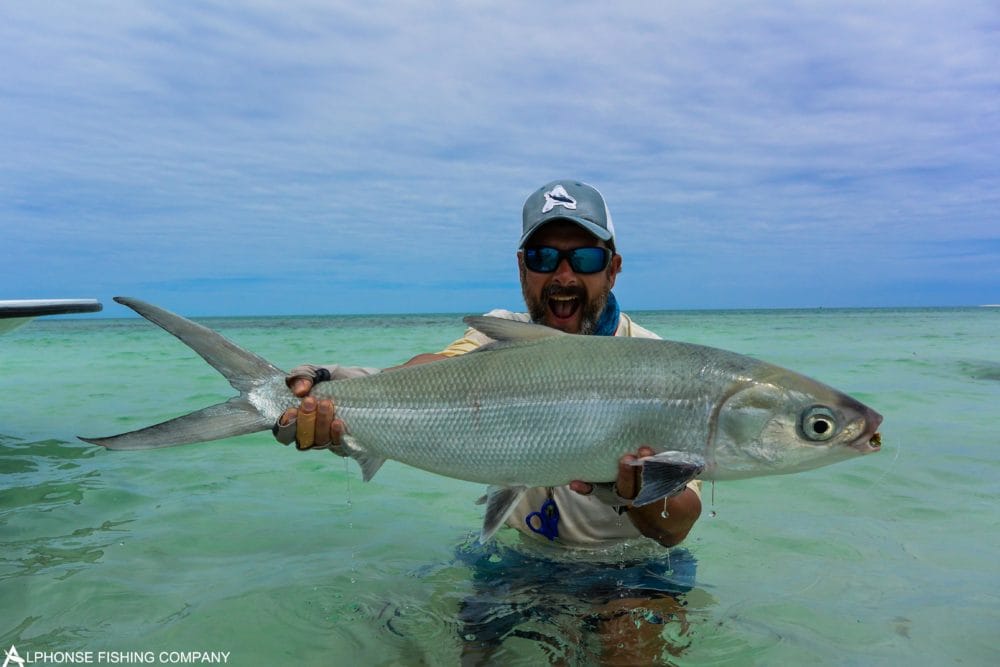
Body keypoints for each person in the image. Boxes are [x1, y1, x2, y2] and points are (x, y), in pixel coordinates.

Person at [273, 180, 702, 660]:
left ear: (613, 269)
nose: (562, 276)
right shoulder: (501, 337)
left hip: (630, 570)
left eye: (583, 259)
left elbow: (676, 526)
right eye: (543, 258)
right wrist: (329, 386)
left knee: (627, 650)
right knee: (467, 655)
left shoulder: (660, 365)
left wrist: (634, 493)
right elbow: (428, 374)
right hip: (522, 560)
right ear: (522, 268)